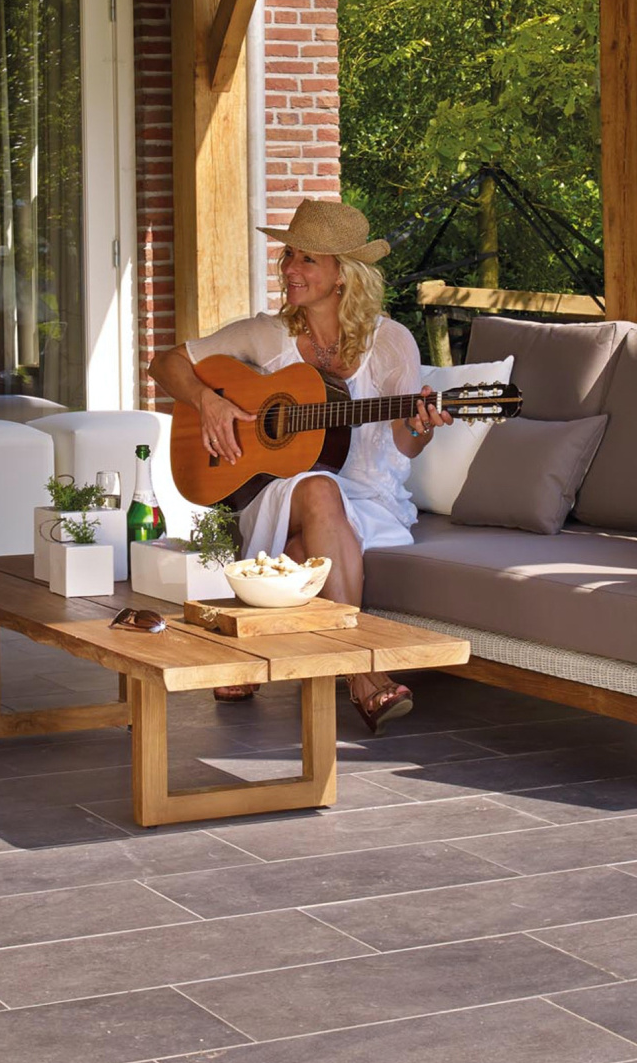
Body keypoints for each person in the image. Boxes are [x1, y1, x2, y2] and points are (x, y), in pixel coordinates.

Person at [148, 199, 451, 734]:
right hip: (277, 493)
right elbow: (165, 362)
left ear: (343, 275)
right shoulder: (266, 335)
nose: (289, 268)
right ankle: (361, 672)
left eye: (307, 259)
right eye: (288, 254)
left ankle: (256, 650)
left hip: (369, 499)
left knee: (300, 549)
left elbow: (402, 446)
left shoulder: (392, 342)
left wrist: (420, 426)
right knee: (315, 486)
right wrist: (207, 401)